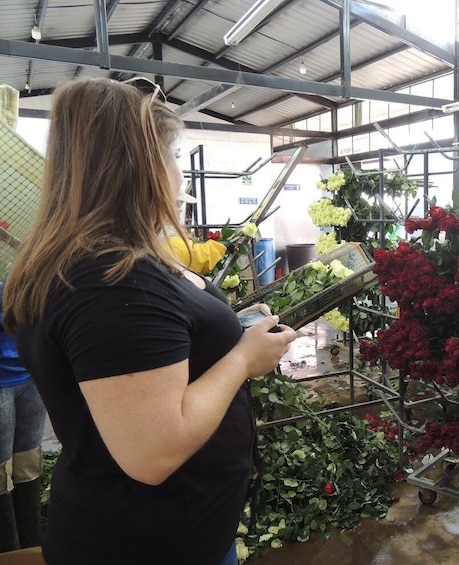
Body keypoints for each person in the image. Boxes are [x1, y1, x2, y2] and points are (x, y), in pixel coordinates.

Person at [2, 77, 297, 565]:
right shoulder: (111, 279)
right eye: (174, 156)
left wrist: (231, 327)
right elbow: (155, 453)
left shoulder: (111, 261)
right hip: (152, 542)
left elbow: (155, 347)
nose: (179, 173)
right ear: (140, 167)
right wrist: (243, 360)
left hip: (178, 528)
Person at [0, 284, 46, 553]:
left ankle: (31, 549)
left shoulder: (31, 247)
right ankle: (8, 551)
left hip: (29, 373)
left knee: (27, 463)